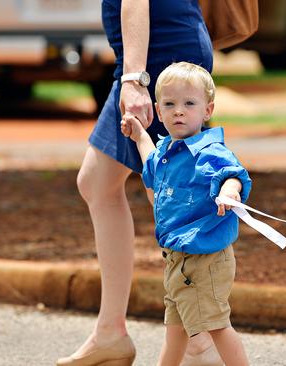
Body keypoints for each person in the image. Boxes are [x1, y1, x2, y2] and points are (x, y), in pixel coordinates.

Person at [57, 0, 220, 365]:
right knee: (98, 183)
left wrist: (134, 78)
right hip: (148, 54)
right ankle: (111, 333)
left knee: (174, 204)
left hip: (154, 60)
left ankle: (201, 343)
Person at [121, 61, 251, 366]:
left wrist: (230, 191)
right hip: (177, 259)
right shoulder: (167, 152)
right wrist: (140, 135)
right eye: (170, 104)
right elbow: (149, 162)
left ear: (207, 110)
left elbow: (233, 173)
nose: (179, 111)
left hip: (204, 259)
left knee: (217, 326)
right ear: (159, 110)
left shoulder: (209, 151)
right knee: (175, 331)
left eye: (189, 103)